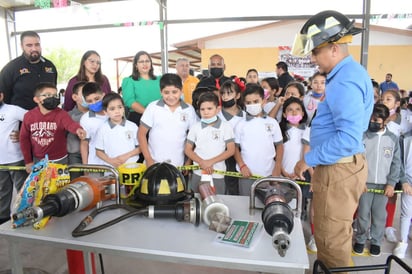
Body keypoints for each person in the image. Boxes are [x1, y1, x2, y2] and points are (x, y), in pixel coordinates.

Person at [292, 10, 374, 270]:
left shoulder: (343, 82)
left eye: (316, 52)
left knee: (331, 240)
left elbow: (348, 138)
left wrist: (308, 159)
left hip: (338, 169)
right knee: (336, 234)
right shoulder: (350, 73)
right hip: (341, 167)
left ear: (334, 49)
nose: (314, 59)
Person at [353, 104, 400, 257]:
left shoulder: (392, 139)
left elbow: (396, 163)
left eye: (376, 120)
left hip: (384, 185)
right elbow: (357, 159)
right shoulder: (363, 136)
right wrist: (360, 180)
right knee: (363, 213)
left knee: (380, 215)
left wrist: (391, 183)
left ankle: (376, 242)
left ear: (385, 121)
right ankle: (360, 239)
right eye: (370, 119)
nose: (372, 122)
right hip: (364, 184)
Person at [19, 82, 86, 174]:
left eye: (55, 95)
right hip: (38, 160)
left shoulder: (61, 114)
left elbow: (70, 124)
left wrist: (78, 129)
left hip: (60, 160)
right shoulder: (29, 116)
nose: (52, 98)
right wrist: (28, 161)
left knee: (60, 187)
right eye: (47, 95)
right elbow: (24, 139)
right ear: (37, 99)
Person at [138, 73, 197, 168]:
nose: (171, 96)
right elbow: (141, 134)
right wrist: (148, 159)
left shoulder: (189, 110)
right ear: (161, 92)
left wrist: (189, 161)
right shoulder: (153, 107)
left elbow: (194, 137)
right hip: (154, 164)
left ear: (181, 91)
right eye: (166, 92)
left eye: (175, 92)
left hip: (178, 165)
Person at [234, 83, 284, 196]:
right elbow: (235, 148)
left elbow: (280, 146)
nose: (252, 105)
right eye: (248, 103)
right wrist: (242, 165)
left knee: (268, 206)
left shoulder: (272, 122)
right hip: (246, 175)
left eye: (256, 101)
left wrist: (277, 167)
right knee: (246, 205)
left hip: (269, 174)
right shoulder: (240, 124)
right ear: (244, 104)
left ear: (263, 101)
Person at [185, 92, 235, 194]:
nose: (206, 112)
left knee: (217, 203)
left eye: (209, 109)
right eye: (202, 109)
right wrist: (201, 162)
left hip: (217, 173)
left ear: (218, 109)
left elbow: (231, 150)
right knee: (196, 200)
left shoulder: (226, 127)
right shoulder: (195, 127)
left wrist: (210, 162)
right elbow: (188, 149)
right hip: (198, 172)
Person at [0, 31, 57, 110]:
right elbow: (3, 97)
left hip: (47, 117)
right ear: (22, 46)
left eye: (37, 44)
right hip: (21, 119)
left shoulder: (50, 66)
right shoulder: (11, 68)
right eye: (29, 45)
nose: (34, 48)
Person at [0, 91, 27, 225]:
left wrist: (21, 133)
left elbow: (33, 119)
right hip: (0, 164)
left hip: (15, 160)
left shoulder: (13, 110)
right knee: (2, 193)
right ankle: (3, 220)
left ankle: (24, 217)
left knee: (22, 191)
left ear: (1, 96)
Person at [95, 93, 140, 168]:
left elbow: (140, 147)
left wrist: (126, 156)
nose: (117, 111)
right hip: (111, 169)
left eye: (120, 107)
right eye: (112, 109)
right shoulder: (102, 129)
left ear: (124, 108)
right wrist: (111, 161)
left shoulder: (132, 126)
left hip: (131, 168)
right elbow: (99, 152)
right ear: (105, 112)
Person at [218, 80, 246, 195]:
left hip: (242, 156)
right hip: (222, 156)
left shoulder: (246, 116)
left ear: (238, 95)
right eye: (223, 94)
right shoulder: (216, 116)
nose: (225, 97)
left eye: (229, 93)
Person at [122, 51, 161, 127]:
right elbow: (130, 101)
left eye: (147, 61)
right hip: (138, 118)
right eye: (141, 61)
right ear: (136, 65)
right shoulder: (129, 81)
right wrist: (149, 113)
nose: (145, 64)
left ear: (151, 64)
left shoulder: (159, 79)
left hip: (159, 117)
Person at [393, 130, 412, 258]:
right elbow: (398, 161)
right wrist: (404, 181)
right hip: (408, 180)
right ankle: (402, 242)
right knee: (406, 213)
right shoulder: (404, 138)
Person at [79, 82, 108, 166]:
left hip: (115, 162)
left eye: (97, 98)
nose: (94, 102)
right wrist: (86, 167)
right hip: (95, 164)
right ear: (85, 102)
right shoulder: (85, 119)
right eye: (89, 101)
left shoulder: (114, 113)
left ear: (103, 95)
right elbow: (84, 144)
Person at [67, 81, 88, 179]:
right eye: (84, 93)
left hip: (93, 154)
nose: (87, 96)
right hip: (74, 155)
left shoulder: (99, 115)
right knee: (75, 181)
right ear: (75, 97)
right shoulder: (68, 116)